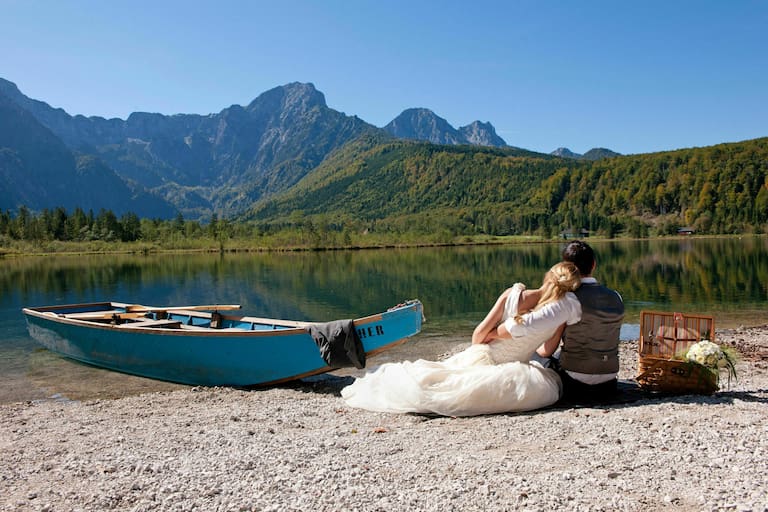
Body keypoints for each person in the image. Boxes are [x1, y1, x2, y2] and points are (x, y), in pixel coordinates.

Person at [341, 262, 582, 416]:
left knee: (443, 380)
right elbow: (545, 351)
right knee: (455, 387)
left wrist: (496, 336)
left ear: (547, 277)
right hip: (516, 366)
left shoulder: (513, 296)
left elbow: (478, 337)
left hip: (486, 355)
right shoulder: (560, 314)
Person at [537, 240, 625, 401]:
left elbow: (547, 350)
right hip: (609, 378)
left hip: (575, 381)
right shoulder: (616, 297)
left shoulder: (569, 299)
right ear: (594, 265)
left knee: (538, 357)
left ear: (566, 268)